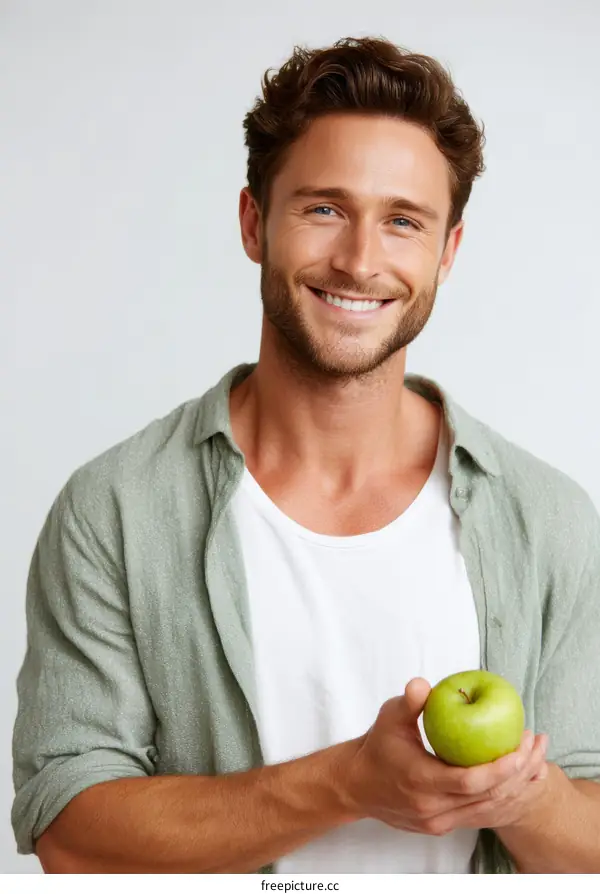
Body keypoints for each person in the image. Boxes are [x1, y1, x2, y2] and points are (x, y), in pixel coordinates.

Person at [11, 36, 600, 875]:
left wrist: (521, 796)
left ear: (448, 251)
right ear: (254, 222)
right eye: (324, 209)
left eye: (404, 221)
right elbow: (70, 835)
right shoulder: (115, 509)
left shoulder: (549, 519)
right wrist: (347, 783)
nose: (360, 261)